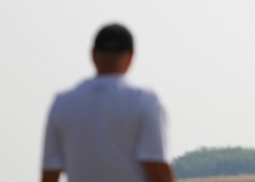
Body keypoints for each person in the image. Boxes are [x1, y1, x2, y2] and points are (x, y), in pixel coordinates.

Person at [41, 23, 175, 182]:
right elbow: (157, 170)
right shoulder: (144, 101)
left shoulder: (62, 103)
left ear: (93, 55)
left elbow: (49, 174)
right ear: (130, 56)